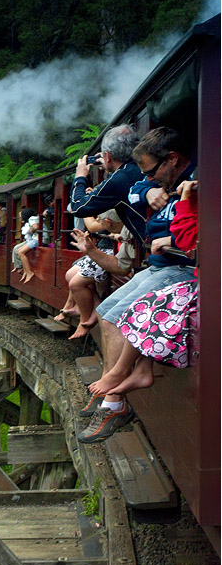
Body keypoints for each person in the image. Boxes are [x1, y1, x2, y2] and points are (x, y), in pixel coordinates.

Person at [77, 127, 197, 443]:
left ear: (172, 159)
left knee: (121, 315)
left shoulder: (199, 178)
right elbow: (133, 190)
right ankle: (117, 385)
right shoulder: (157, 180)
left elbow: (200, 229)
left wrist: (173, 240)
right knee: (105, 311)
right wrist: (146, 191)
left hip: (182, 267)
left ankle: (114, 400)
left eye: (151, 172)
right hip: (161, 264)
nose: (149, 179)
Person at [68, 124, 147, 243]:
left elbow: (78, 207)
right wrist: (109, 163)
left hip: (154, 250)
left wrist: (79, 177)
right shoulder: (144, 166)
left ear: (108, 156)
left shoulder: (118, 180)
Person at [55, 210, 125, 338]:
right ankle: (92, 308)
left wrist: (86, 206)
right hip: (103, 248)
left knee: (75, 284)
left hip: (111, 251)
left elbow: (93, 226)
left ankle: (85, 319)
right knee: (70, 275)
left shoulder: (113, 212)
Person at [11, 207, 38, 283]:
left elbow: (36, 226)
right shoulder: (31, 219)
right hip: (35, 239)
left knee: (20, 252)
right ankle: (26, 271)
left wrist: (30, 231)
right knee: (18, 250)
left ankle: (29, 272)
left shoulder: (32, 219)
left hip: (38, 239)